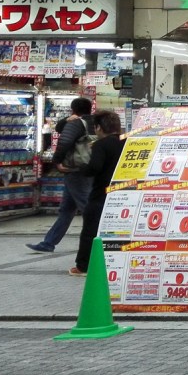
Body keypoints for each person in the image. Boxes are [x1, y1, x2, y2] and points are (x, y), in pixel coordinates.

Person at [27, 97, 94, 253]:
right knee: (67, 209)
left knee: (88, 210)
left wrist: (56, 162)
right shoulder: (94, 122)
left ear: (73, 109)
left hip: (75, 170)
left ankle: (101, 242)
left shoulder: (76, 123)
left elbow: (64, 140)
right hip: (88, 168)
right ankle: (48, 243)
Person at [71, 111, 127, 276]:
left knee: (90, 230)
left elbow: (94, 167)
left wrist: (82, 169)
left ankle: (83, 266)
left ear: (99, 127)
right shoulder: (127, 141)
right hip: (124, 193)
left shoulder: (101, 145)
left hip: (102, 194)